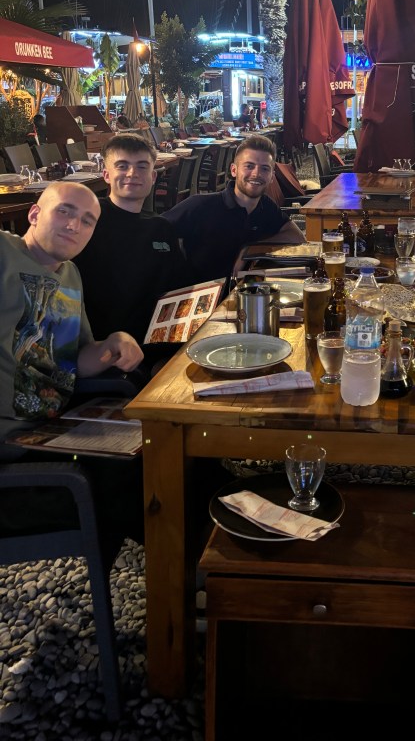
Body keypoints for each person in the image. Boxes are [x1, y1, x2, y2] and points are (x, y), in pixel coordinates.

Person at [0, 181, 145, 542]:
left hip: (52, 434)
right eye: (64, 211)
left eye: (87, 220)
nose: (73, 225)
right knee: (140, 484)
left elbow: (74, 360)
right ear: (34, 214)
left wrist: (114, 342)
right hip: (13, 462)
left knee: (163, 451)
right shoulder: (4, 252)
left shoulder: (70, 275)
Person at [73, 133, 189, 373]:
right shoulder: (87, 221)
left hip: (161, 348)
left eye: (142, 166)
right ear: (106, 175)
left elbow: (180, 289)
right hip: (108, 354)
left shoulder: (161, 228)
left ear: (153, 177)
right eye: (122, 166)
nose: (132, 173)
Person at [165, 133, 306, 283]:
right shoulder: (201, 206)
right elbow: (156, 232)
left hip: (244, 291)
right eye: (249, 166)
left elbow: (297, 236)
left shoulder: (265, 206)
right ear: (234, 170)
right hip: (203, 293)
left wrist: (250, 249)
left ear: (272, 176)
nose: (256, 174)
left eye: (265, 169)